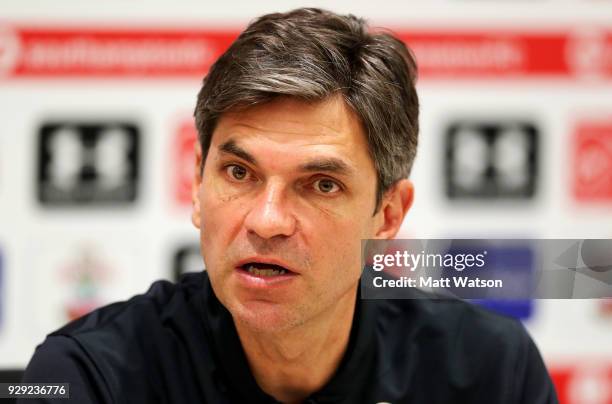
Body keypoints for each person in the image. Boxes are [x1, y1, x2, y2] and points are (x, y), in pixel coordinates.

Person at [21, 8, 558, 404]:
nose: (267, 220)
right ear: (195, 186)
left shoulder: (490, 372)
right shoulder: (87, 378)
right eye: (239, 173)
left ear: (388, 215)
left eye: (321, 184)